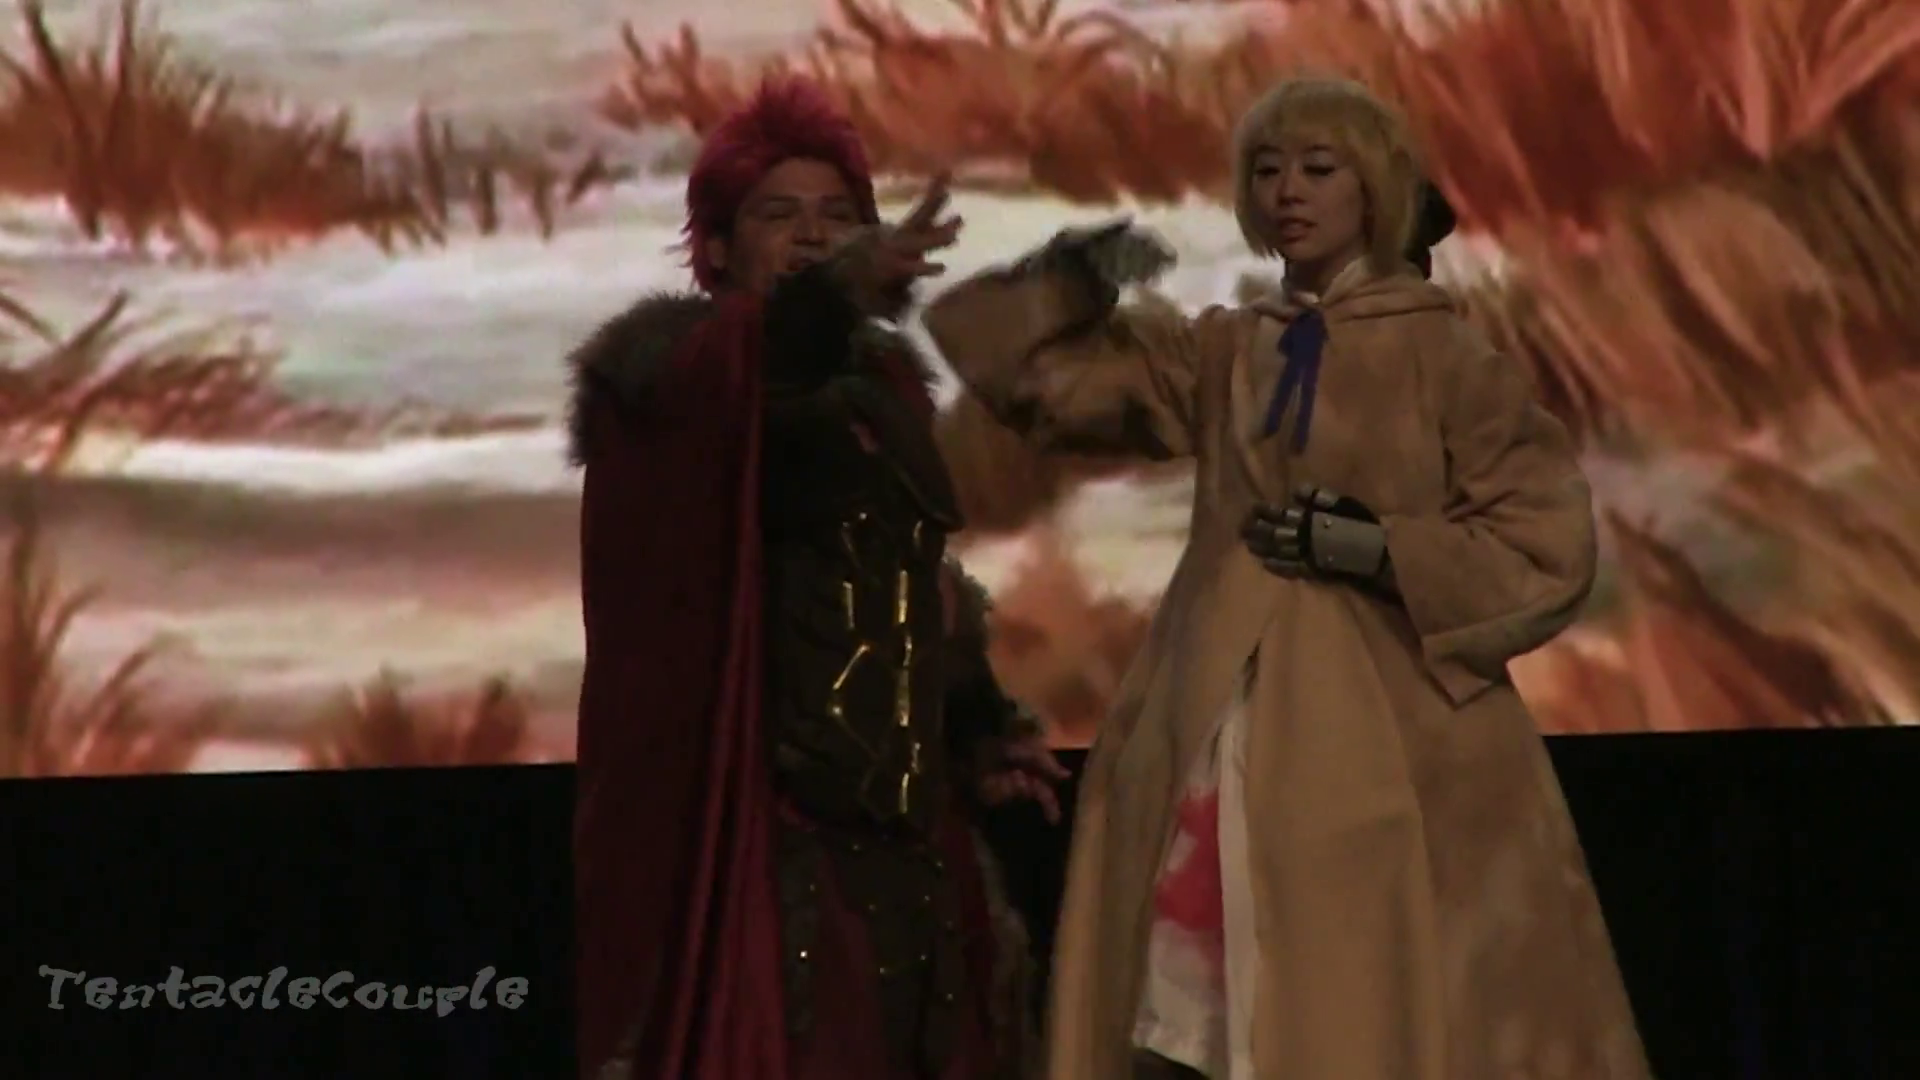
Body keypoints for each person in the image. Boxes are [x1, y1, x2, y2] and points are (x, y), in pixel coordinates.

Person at [921, 76, 1650, 1080]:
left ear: (1375, 188)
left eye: (1319, 168)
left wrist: (1382, 549)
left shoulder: (1445, 358)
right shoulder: (1228, 352)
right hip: (1212, 719)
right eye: (1267, 171)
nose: (1288, 192)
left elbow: (1545, 543)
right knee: (1197, 1016)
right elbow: (1032, 381)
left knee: (1360, 1001)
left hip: (1385, 735)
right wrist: (1076, 279)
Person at [567, 78, 1064, 1080]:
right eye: (779, 216)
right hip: (761, 844)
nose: (812, 236)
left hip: (903, 840)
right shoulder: (675, 381)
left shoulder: (881, 393)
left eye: (838, 217)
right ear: (716, 248)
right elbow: (763, 371)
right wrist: (829, 295)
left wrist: (975, 724)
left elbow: (902, 577)